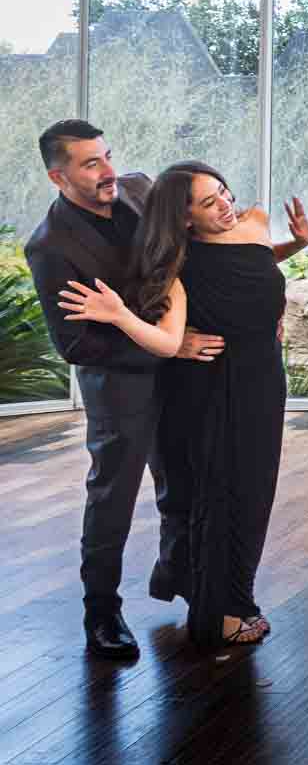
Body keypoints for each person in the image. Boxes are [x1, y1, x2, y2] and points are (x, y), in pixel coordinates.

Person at [63, 162, 306, 648]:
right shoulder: (180, 268)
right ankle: (225, 611)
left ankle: (222, 595)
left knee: (256, 496)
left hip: (264, 382)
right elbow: (164, 340)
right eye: (209, 202)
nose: (226, 204)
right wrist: (119, 315)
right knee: (222, 500)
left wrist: (298, 244)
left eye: (224, 191)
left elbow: (259, 264)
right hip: (214, 389)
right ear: (185, 218)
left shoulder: (255, 223)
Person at [25, 120, 209, 658]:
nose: (108, 171)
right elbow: (76, 346)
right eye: (90, 164)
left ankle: (182, 578)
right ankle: (101, 611)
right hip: (121, 384)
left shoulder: (139, 188)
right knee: (113, 499)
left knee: (184, 479)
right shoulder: (50, 247)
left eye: (107, 156)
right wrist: (165, 345)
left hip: (180, 369)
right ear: (59, 177)